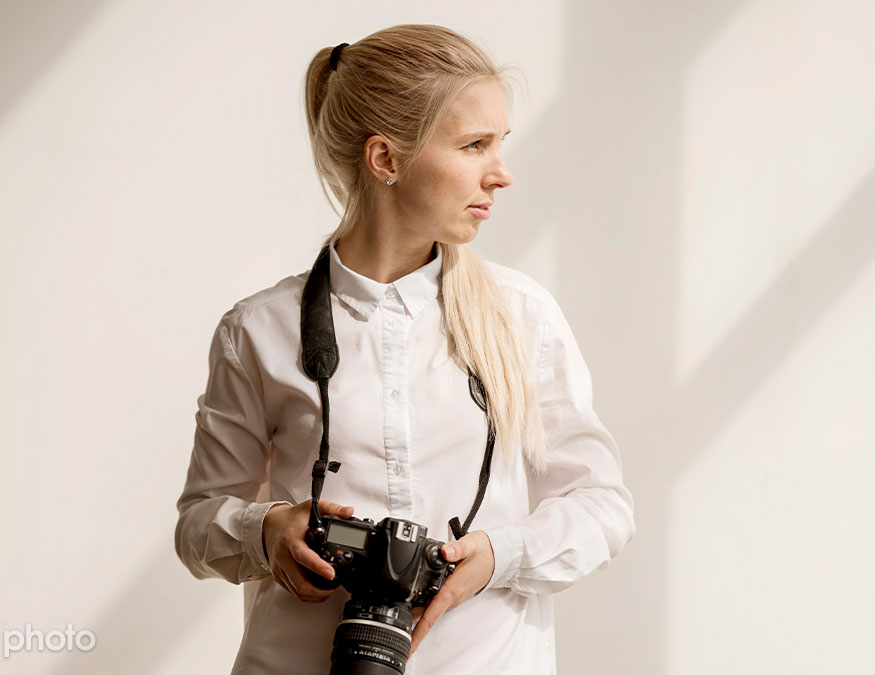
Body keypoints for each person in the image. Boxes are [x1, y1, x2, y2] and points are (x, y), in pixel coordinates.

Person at [174, 24, 635, 674]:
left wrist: (499, 555)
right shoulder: (258, 330)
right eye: (475, 145)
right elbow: (197, 524)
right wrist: (267, 529)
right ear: (385, 159)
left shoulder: (523, 316)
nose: (502, 173)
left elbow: (603, 505)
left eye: (499, 144)